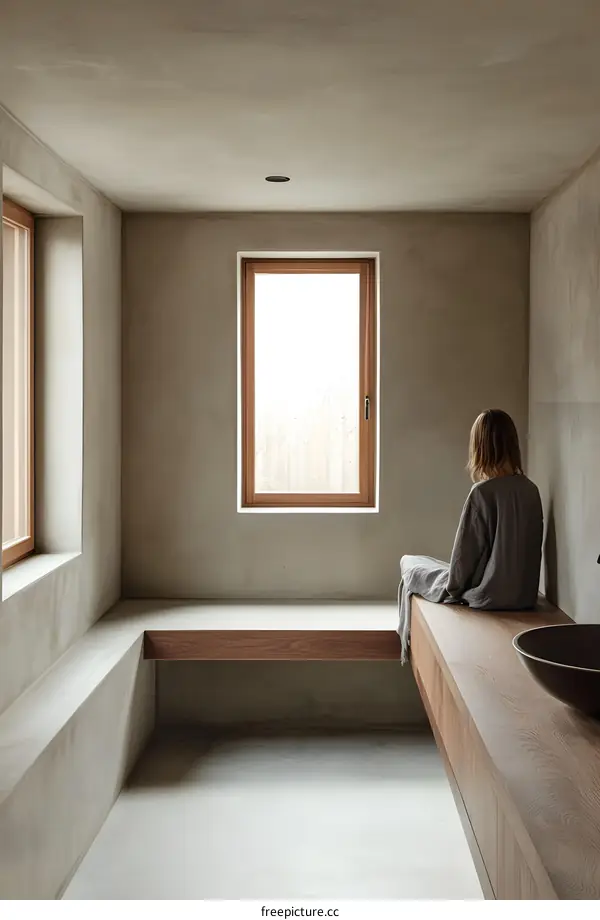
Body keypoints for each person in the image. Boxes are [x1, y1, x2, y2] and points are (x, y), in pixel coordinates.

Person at [398, 409, 543, 663]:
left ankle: (405, 646)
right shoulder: (531, 490)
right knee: (424, 565)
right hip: (524, 596)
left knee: (411, 563)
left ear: (480, 446)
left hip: (488, 596)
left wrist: (451, 589)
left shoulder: (482, 493)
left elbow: (463, 565)